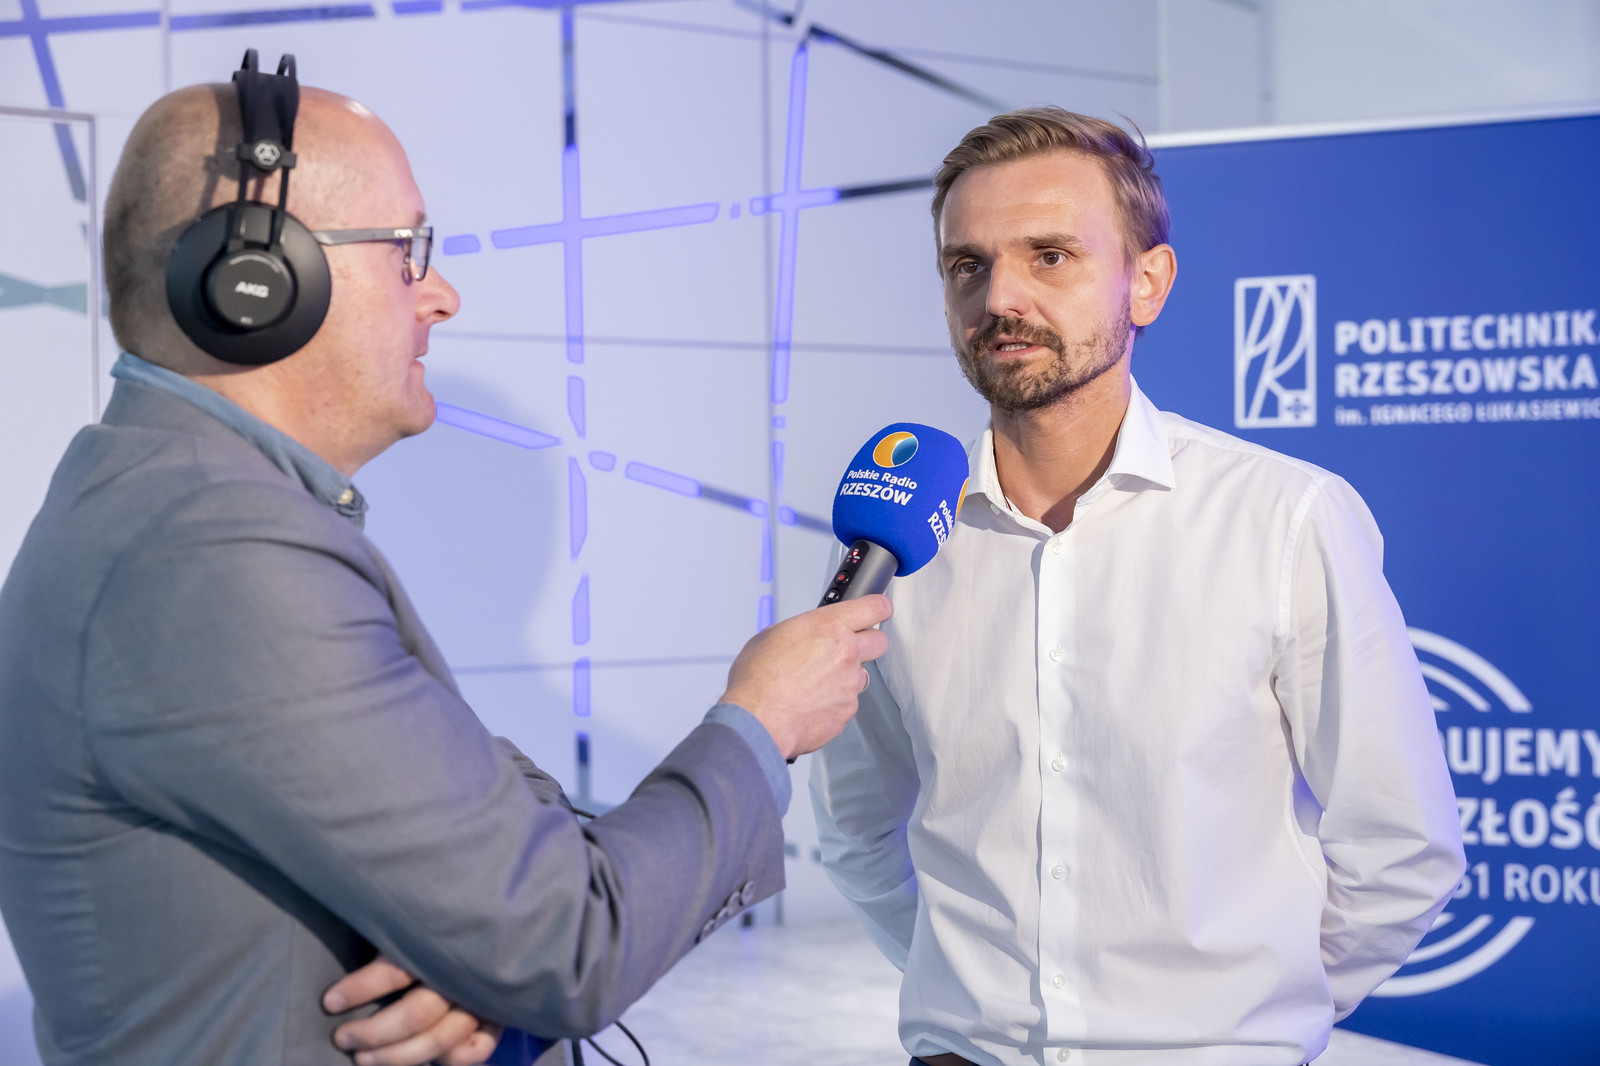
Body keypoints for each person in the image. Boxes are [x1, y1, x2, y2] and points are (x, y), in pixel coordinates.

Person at [0, 77, 892, 1066]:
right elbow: (568, 941)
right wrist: (763, 719)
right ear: (258, 279)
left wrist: (480, 958)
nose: (441, 294)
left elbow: (495, 866)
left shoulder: (164, 501)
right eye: (406, 251)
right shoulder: (210, 547)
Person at [810, 107, 1465, 1066]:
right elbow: (854, 829)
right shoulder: (898, 542)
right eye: (968, 265)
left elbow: (1401, 848)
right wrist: (965, 997)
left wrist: (1248, 1021)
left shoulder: (1285, 519)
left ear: (1147, 283)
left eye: (1050, 256)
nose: (1002, 296)